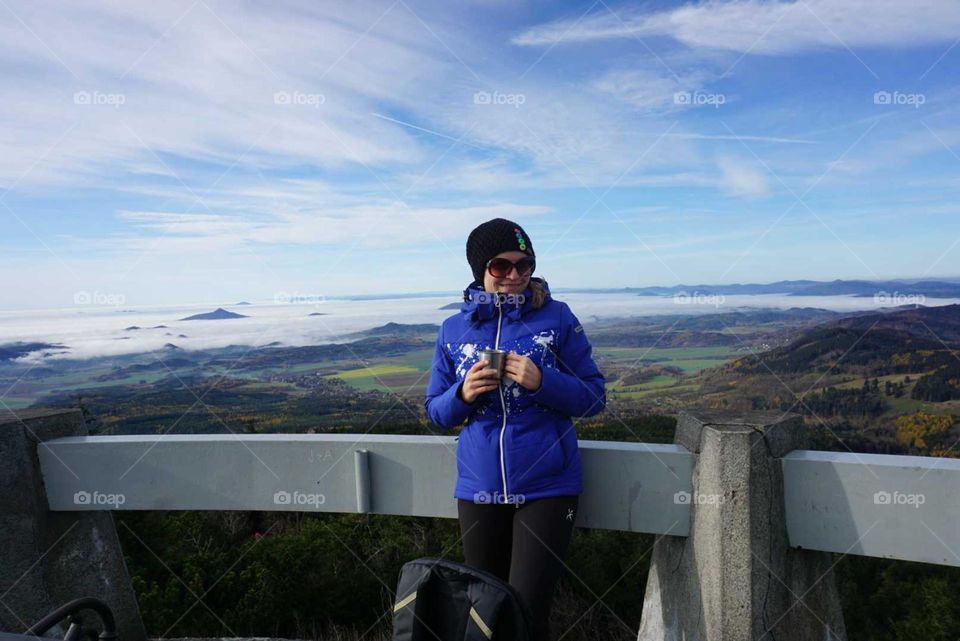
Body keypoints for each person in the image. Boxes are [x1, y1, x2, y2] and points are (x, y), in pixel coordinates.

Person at [423, 218, 607, 641]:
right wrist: (462, 394)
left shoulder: (557, 318)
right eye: (500, 266)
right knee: (483, 609)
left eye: (524, 265)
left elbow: (594, 398)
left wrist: (544, 381)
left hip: (548, 486)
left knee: (526, 612)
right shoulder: (453, 329)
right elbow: (436, 411)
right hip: (479, 486)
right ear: (479, 270)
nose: (514, 275)